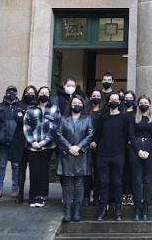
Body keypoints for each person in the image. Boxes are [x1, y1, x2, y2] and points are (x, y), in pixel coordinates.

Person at [57, 95, 94, 223]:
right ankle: (67, 209)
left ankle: (77, 210)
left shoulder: (87, 118)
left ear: (83, 105)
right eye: (74, 103)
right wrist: (69, 147)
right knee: (67, 184)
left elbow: (90, 134)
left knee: (79, 183)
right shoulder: (63, 119)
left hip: (81, 154)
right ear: (70, 105)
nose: (76, 105)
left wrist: (79, 147)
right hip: (67, 154)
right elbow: (58, 134)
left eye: (79, 103)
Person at [94, 91, 129, 220]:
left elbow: (127, 136)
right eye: (111, 99)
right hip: (103, 154)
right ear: (108, 102)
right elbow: (97, 134)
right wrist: (93, 142)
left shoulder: (124, 118)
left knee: (117, 182)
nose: (114, 102)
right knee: (104, 182)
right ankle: (103, 209)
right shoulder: (102, 117)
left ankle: (118, 210)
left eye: (116, 100)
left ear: (120, 102)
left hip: (118, 154)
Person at [22, 86, 57, 207]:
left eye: (46, 93)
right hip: (32, 146)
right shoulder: (30, 109)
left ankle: (41, 196)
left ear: (49, 95)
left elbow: (55, 127)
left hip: (47, 146)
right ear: (38, 95)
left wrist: (44, 142)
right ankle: (33, 196)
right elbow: (26, 127)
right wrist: (32, 142)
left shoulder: (54, 109)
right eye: (42, 92)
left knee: (43, 171)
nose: (44, 94)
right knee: (34, 171)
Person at [128, 95, 152, 221]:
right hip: (135, 150)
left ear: (150, 104)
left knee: (147, 180)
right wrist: (139, 150)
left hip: (150, 150)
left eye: (145, 102)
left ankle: (145, 209)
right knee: (137, 180)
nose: (143, 104)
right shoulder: (133, 118)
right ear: (138, 104)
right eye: (141, 102)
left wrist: (146, 150)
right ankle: (137, 209)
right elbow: (131, 135)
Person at [0, 86, 24, 199]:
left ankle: (15, 189)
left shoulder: (20, 106)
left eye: (13, 91)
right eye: (9, 91)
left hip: (15, 141)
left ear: (17, 93)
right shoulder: (0, 106)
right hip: (3, 142)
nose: (11, 93)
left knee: (15, 166)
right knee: (2, 165)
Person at [85, 88, 104, 205]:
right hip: (86, 144)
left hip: (100, 145)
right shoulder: (86, 112)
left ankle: (97, 196)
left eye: (98, 96)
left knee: (98, 171)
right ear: (91, 97)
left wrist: (96, 141)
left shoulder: (103, 112)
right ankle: (86, 196)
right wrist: (90, 141)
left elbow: (103, 130)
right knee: (87, 171)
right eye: (94, 96)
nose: (96, 97)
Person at [121, 90, 137, 206]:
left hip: (133, 146)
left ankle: (131, 194)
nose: (128, 100)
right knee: (122, 172)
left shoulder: (137, 113)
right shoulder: (120, 112)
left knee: (132, 171)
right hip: (120, 146)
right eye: (126, 98)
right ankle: (122, 194)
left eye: (131, 98)